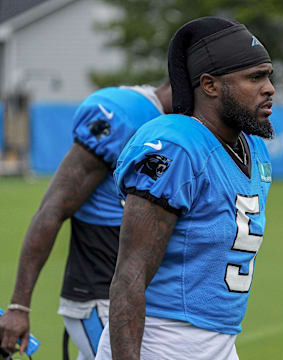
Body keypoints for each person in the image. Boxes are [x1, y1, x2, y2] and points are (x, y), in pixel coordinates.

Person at [96, 16, 275, 360]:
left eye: (268, 76)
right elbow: (130, 275)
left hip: (218, 340)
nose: (269, 88)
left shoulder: (252, 147)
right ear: (209, 85)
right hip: (162, 339)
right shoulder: (177, 146)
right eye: (254, 77)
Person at [0, 82, 172, 359]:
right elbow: (51, 209)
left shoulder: (179, 127)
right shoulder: (124, 115)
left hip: (136, 295)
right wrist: (19, 306)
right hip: (99, 295)